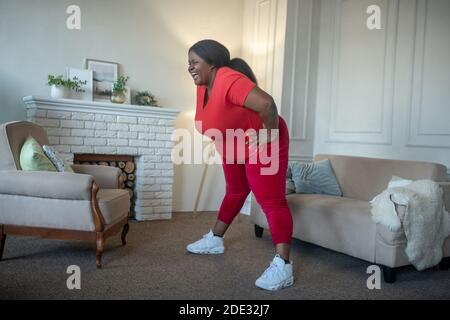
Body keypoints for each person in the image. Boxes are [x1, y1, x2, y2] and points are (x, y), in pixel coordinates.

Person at [186, 39, 294, 291]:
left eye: (194, 62)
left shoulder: (227, 78)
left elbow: (267, 104)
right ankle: (215, 239)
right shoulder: (203, 85)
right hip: (233, 141)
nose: (189, 67)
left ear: (212, 64)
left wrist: (270, 134)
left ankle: (284, 265)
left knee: (271, 200)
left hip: (262, 137)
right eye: (188, 63)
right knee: (235, 190)